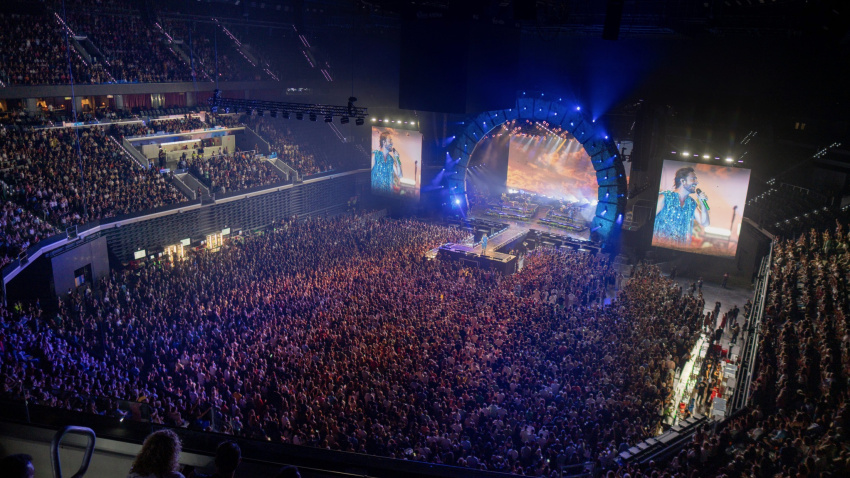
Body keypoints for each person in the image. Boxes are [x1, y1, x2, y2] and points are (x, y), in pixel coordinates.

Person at [654, 167, 710, 246]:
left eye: (696, 179)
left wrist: (702, 203)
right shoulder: (664, 197)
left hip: (677, 250)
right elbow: (648, 219)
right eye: (693, 179)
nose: (696, 182)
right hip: (658, 246)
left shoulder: (691, 203)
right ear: (683, 181)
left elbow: (705, 223)